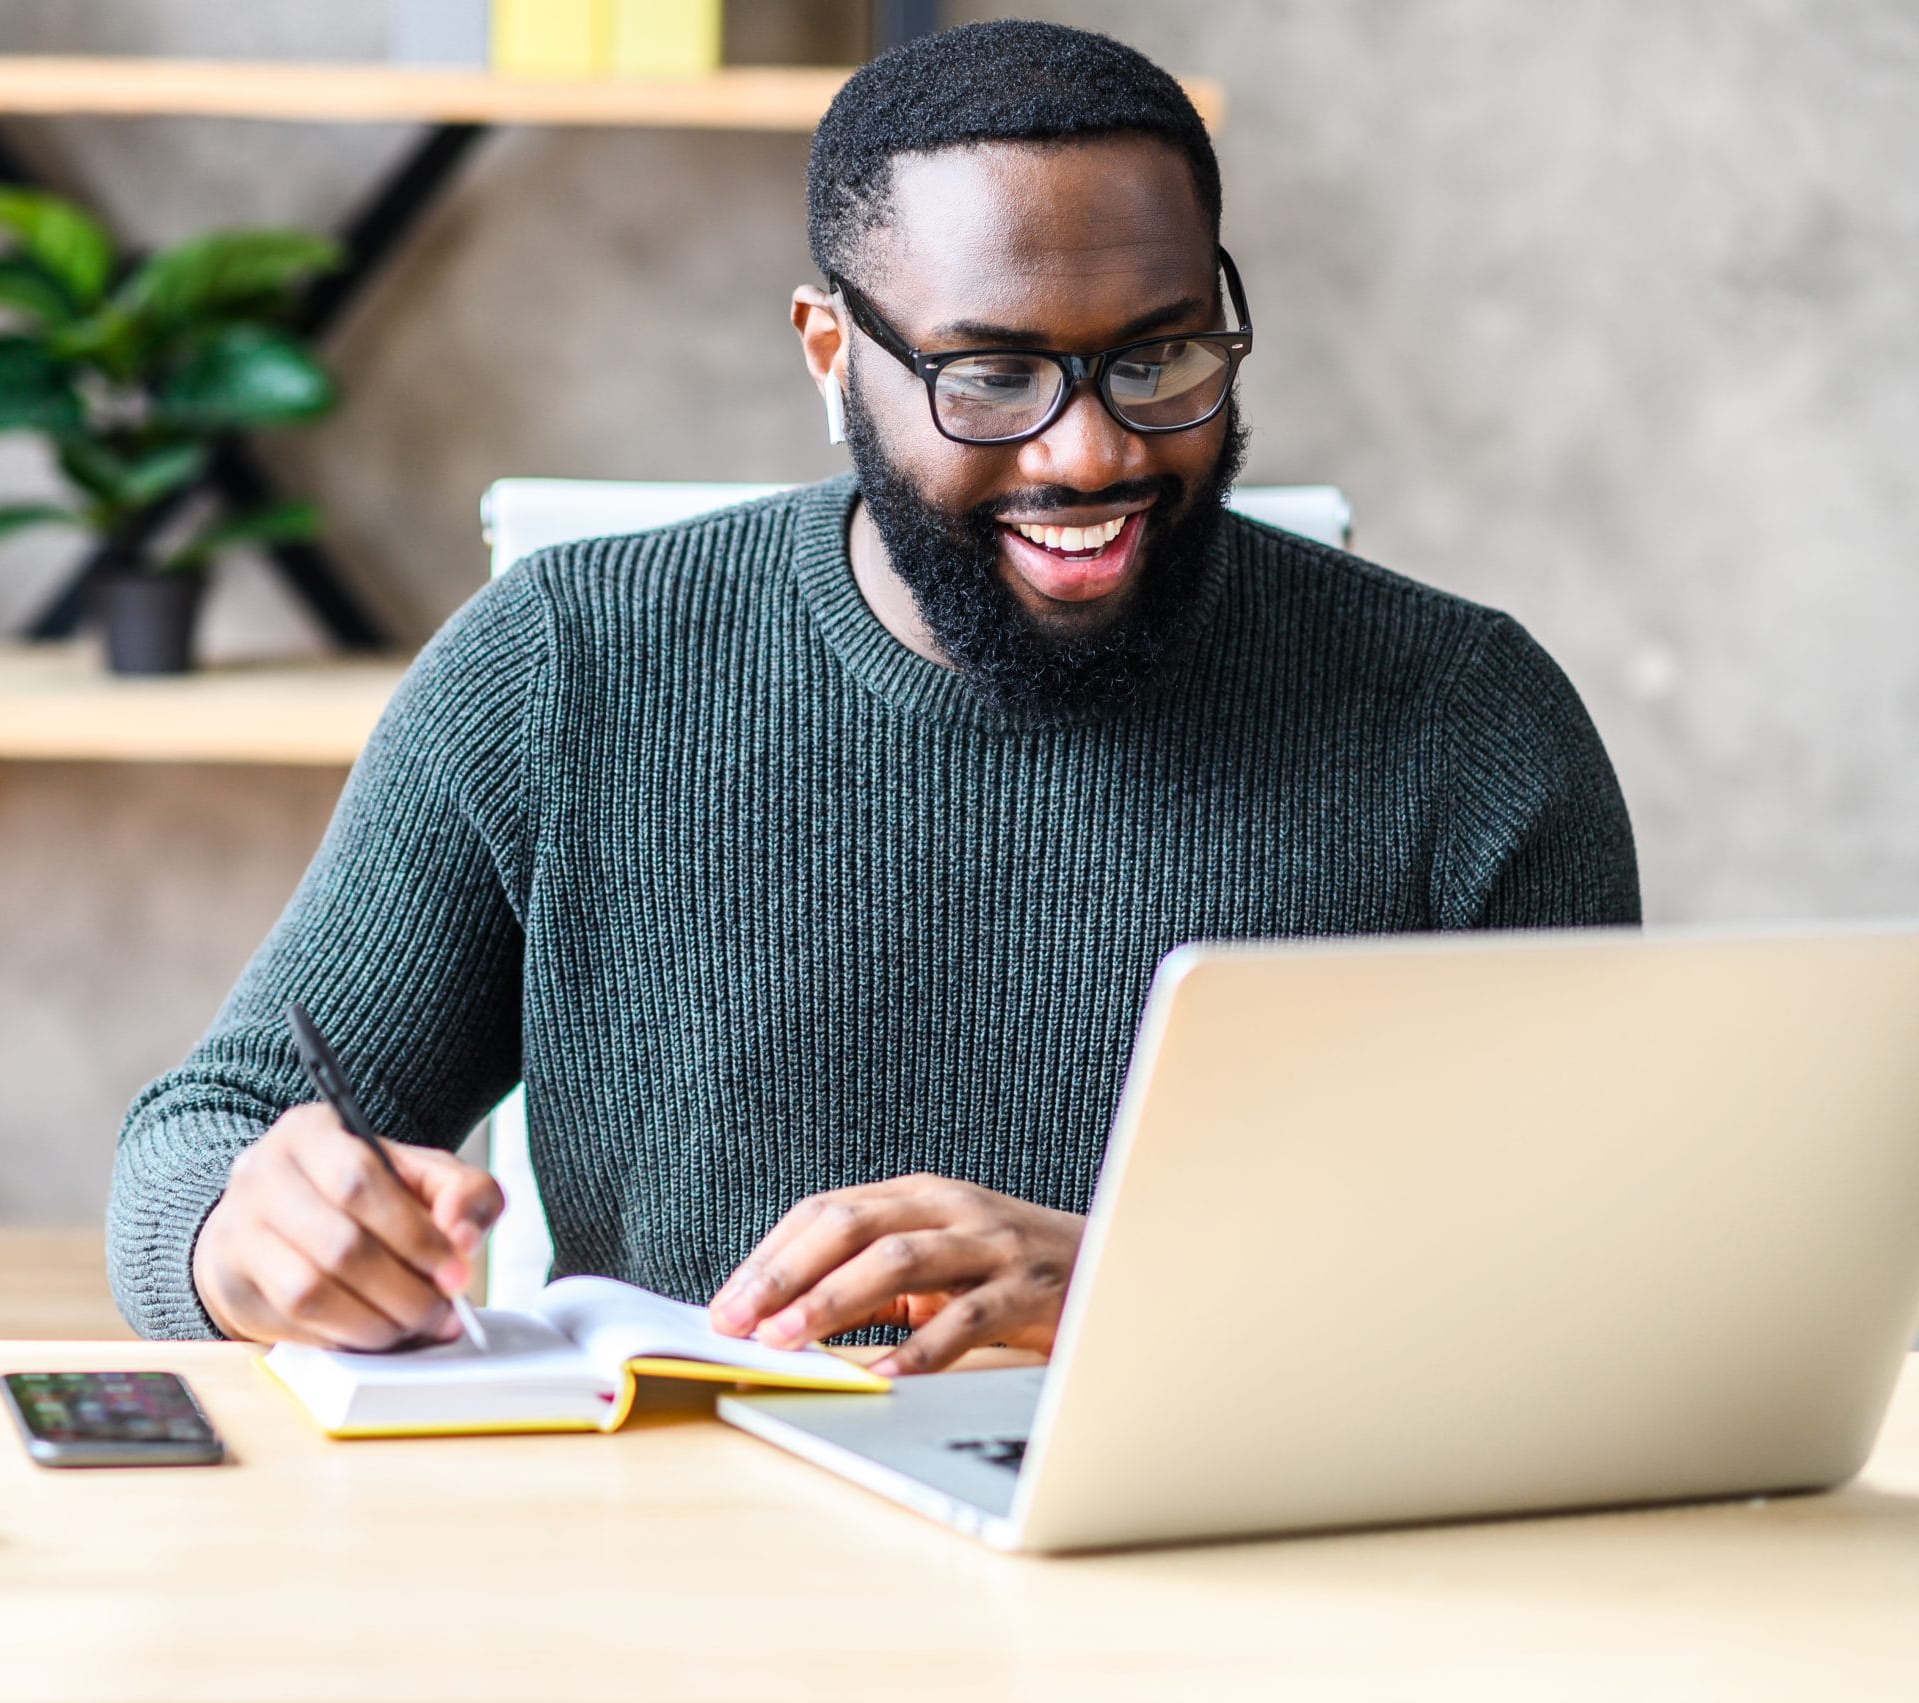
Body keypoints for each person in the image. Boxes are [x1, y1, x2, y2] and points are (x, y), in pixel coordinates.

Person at [107, 21, 1640, 1376]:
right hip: (692, 1571)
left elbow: (1613, 1275)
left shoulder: (1466, 722)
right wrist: (251, 1238)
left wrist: (1127, 1280)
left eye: (1159, 357)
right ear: (832, 355)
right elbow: (197, 1143)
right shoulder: (564, 670)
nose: (1087, 455)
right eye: (988, 377)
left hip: (1249, 1566)